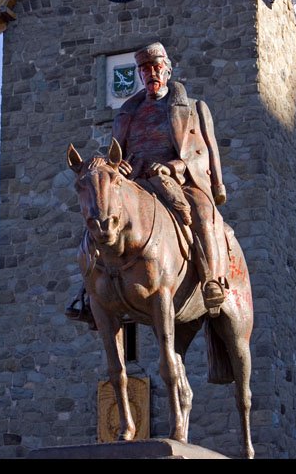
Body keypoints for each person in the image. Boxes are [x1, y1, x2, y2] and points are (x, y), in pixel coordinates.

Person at [66, 42, 230, 324]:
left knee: (202, 214)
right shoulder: (128, 113)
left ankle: (211, 280)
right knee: (101, 215)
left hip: (179, 178)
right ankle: (91, 293)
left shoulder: (192, 108)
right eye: (144, 70)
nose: (150, 74)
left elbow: (202, 151)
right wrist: (122, 165)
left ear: (167, 71)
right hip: (136, 180)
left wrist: (173, 167)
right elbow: (117, 153)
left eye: (156, 68)